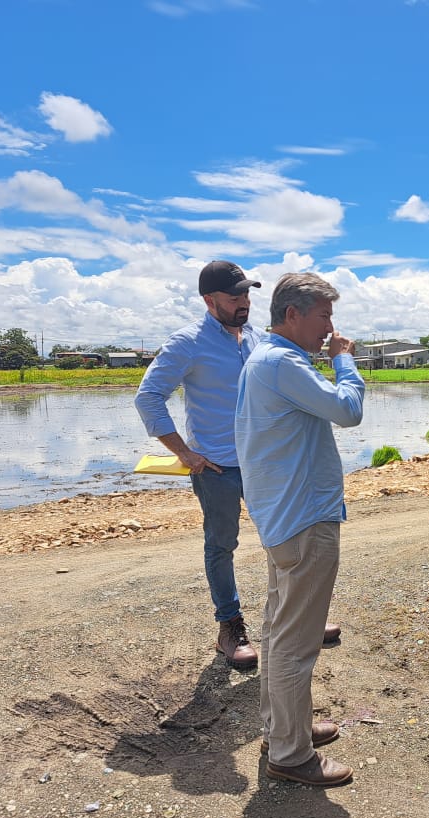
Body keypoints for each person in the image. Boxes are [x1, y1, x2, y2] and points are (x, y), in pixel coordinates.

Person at [135, 260, 342, 671]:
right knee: (221, 545)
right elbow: (148, 397)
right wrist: (184, 453)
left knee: (284, 537)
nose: (243, 302)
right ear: (209, 300)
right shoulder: (187, 343)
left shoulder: (256, 340)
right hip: (219, 467)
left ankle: (299, 613)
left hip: (265, 462)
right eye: (234, 296)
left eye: (246, 293)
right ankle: (229, 627)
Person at [234, 272, 364, 787]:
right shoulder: (282, 363)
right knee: (296, 640)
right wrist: (343, 361)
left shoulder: (266, 360)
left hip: (285, 515)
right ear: (292, 315)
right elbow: (347, 410)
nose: (330, 327)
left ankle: (284, 729)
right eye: (323, 316)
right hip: (304, 518)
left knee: (279, 630)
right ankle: (291, 754)